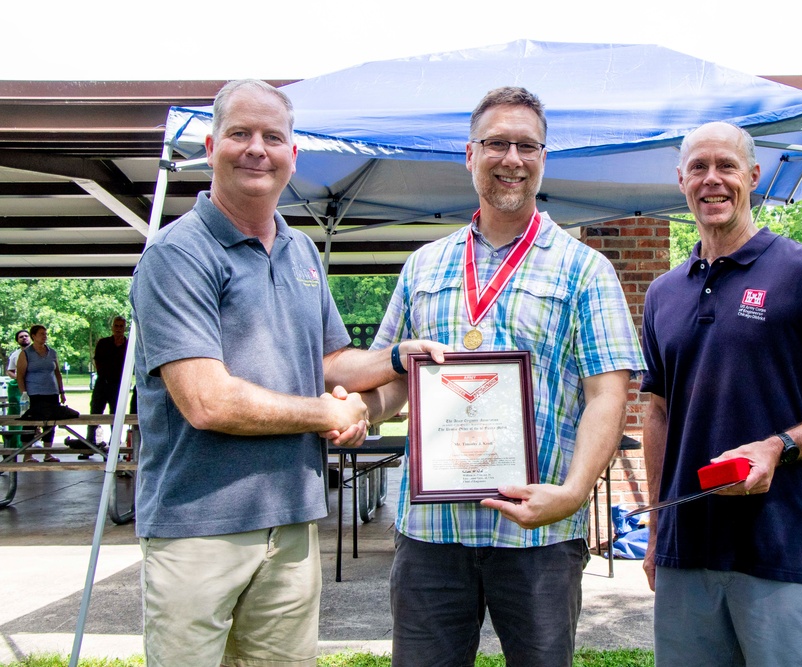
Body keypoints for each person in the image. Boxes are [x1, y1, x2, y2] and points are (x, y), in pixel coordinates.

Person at [129, 79, 444, 667]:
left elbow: (327, 364)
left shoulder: (301, 252)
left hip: (293, 525)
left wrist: (400, 358)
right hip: (199, 529)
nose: (257, 149)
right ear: (210, 144)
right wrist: (330, 413)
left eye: (273, 137)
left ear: (292, 155)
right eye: (240, 133)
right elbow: (207, 400)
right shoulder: (178, 254)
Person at [367, 86, 645, 667]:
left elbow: (607, 395)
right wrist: (357, 412)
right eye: (497, 143)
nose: (512, 159)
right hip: (431, 532)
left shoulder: (585, 269)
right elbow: (391, 376)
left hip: (538, 532)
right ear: (469, 154)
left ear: (543, 158)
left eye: (527, 146)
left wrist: (571, 497)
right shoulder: (424, 266)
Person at [640, 121, 802, 667]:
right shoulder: (662, 294)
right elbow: (657, 414)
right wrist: (659, 530)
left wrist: (779, 446)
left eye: (726, 166)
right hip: (687, 552)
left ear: (753, 176)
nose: (712, 180)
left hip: (781, 550)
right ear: (681, 180)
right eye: (699, 168)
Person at [16, 324, 67, 462]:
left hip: (51, 392)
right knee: (30, 423)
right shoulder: (26, 353)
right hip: (34, 394)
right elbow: (20, 375)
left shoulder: (52, 352)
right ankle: (27, 455)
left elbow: (57, 373)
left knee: (50, 423)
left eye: (45, 334)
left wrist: (61, 392)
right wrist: (24, 393)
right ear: (33, 336)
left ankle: (48, 453)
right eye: (41, 334)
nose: (44, 336)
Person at [83, 316, 130, 458]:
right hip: (102, 383)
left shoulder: (128, 345)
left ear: (125, 328)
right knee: (95, 413)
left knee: (116, 415)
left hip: (118, 385)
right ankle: (89, 446)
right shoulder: (103, 343)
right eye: (116, 325)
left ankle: (114, 448)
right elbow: (97, 361)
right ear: (112, 327)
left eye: (121, 326)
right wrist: (103, 376)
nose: (118, 329)